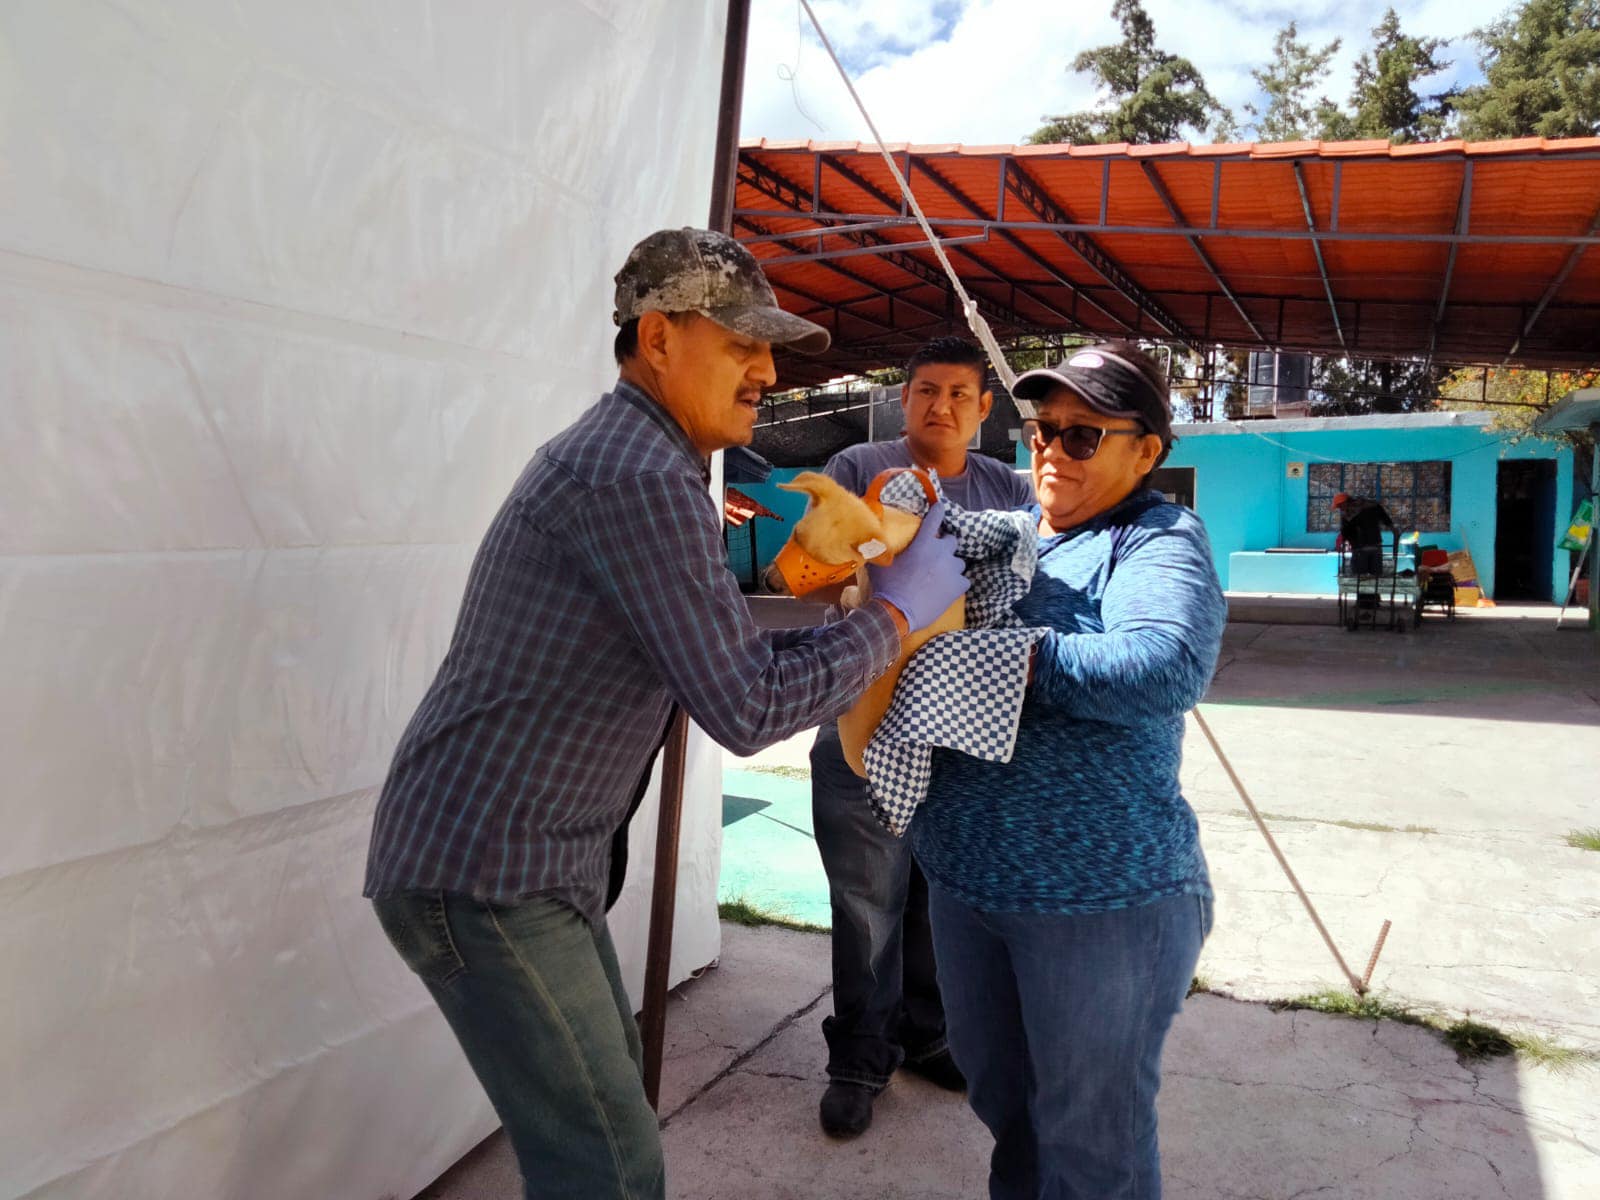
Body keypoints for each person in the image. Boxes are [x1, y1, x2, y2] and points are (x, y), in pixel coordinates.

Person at [363, 227, 970, 1200]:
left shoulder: (651, 464)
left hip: (523, 860)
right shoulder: (636, 475)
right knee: (607, 1164)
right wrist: (897, 612)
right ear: (657, 340)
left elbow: (721, 657)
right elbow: (746, 703)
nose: (767, 370)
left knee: (600, 1147)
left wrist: (848, 613)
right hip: (486, 870)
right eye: (740, 344)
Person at [912, 342, 1226, 1199]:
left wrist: (995, 656)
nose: (1051, 449)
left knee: (1092, 1151)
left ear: (1146, 451)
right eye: (1041, 429)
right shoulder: (1001, 538)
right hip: (968, 887)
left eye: (1082, 436)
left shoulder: (1157, 538)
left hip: (1101, 903)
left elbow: (1163, 666)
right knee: (1011, 1117)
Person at [793, 336, 1034, 1139]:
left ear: (983, 407)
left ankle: (928, 1033)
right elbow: (813, 566)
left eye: (960, 395)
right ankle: (860, 1057)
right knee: (868, 900)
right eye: (928, 391)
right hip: (864, 713)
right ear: (905, 398)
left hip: (956, 729)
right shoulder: (862, 464)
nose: (943, 407)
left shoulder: (1007, 487)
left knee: (937, 892)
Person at [1332, 491, 1396, 575]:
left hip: (1360, 549)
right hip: (1376, 545)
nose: (1340, 509)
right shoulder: (1372, 505)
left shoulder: (1347, 514)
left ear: (1344, 503)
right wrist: (1393, 529)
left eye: (1340, 506)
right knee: (1376, 577)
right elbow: (1385, 518)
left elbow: (1345, 532)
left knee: (1360, 578)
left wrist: (1344, 542)